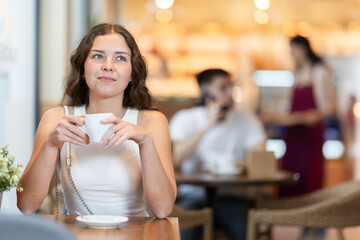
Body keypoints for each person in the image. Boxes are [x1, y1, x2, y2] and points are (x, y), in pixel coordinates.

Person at [17, 23, 176, 218]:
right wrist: (50, 143)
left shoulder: (151, 122)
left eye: (120, 58)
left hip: (135, 234)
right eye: (98, 56)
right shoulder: (57, 119)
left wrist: (146, 142)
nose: (108, 66)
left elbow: (162, 210)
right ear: (82, 68)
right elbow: (26, 205)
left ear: (132, 73)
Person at [170, 69, 266, 240]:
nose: (230, 93)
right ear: (205, 93)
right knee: (181, 233)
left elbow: (260, 158)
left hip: (230, 196)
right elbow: (175, 159)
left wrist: (231, 166)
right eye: (223, 88)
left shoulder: (247, 119)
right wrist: (209, 125)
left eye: (231, 87)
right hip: (192, 195)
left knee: (245, 231)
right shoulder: (185, 119)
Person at [262, 36, 336, 240]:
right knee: (292, 177)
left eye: (293, 49)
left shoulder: (320, 70)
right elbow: (290, 105)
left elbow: (330, 106)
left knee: (311, 177)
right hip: (293, 134)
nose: (292, 54)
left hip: (310, 134)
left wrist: (316, 115)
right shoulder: (296, 72)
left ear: (303, 48)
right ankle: (297, 225)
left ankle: (316, 226)